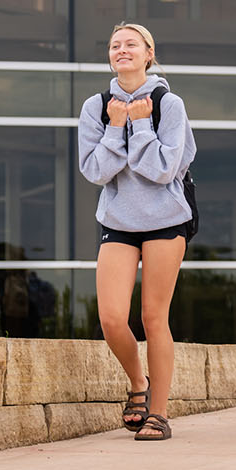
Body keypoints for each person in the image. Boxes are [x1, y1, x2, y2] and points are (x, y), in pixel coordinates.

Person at [77, 22, 196, 441]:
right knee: (111, 318)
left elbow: (165, 169)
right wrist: (114, 127)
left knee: (153, 317)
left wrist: (141, 125)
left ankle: (158, 414)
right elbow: (94, 170)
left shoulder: (169, 104)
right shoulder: (96, 106)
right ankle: (138, 383)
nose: (121, 50)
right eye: (114, 45)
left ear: (149, 53)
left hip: (166, 221)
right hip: (119, 222)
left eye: (131, 44)